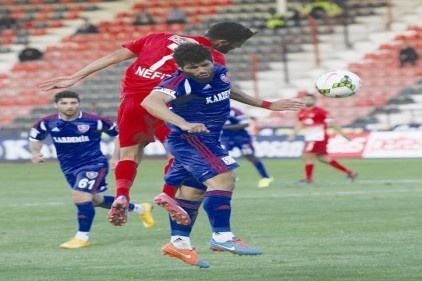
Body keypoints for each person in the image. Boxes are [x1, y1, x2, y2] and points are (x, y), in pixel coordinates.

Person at [38, 22, 305, 227]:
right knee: (179, 151)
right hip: (166, 105)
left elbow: (115, 56)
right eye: (234, 46)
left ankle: (122, 195)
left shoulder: (158, 37)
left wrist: (75, 76)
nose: (233, 50)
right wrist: (266, 104)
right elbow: (225, 88)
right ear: (223, 42)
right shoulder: (212, 59)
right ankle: (167, 194)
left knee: (129, 153)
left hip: (132, 100)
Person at [142, 43, 268, 268]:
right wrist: (184, 123)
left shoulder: (219, 71)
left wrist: (266, 104)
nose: (201, 70)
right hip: (191, 139)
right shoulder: (179, 82)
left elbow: (229, 89)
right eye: (193, 67)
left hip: (207, 138)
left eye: (204, 64)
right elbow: (150, 101)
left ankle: (178, 243)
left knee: (194, 191)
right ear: (181, 68)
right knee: (225, 178)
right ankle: (222, 237)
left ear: (212, 61)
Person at [29, 91, 154, 249]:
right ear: (56, 105)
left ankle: (82, 237)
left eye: (73, 103)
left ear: (79, 103)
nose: (69, 106)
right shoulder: (46, 123)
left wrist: (115, 156)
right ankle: (140, 208)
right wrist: (35, 153)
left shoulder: (95, 121)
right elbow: (35, 138)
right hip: (68, 167)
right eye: (64, 103)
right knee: (96, 200)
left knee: (80, 195)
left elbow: (118, 134)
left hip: (93, 164)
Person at [288, 93, 358, 184]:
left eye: (310, 99)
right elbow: (300, 124)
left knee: (307, 156)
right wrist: (293, 134)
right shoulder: (301, 112)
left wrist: (343, 134)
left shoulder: (321, 111)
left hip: (319, 137)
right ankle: (350, 172)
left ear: (314, 101)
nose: (307, 101)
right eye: (305, 99)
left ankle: (308, 179)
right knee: (322, 158)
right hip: (310, 137)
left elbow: (332, 123)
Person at [221, 107, 273, 188]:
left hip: (240, 137)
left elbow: (246, 124)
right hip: (225, 137)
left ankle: (266, 177)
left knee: (250, 156)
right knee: (222, 156)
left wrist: (224, 127)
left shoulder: (235, 111)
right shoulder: (213, 109)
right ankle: (231, 175)